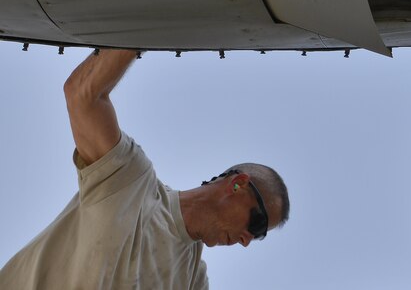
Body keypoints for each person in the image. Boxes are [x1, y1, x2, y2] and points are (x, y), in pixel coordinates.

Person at [0, 48, 290, 289]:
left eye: (259, 236)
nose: (246, 241)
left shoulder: (190, 282)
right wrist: (145, 29)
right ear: (238, 184)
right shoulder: (130, 182)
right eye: (257, 225)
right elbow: (82, 96)